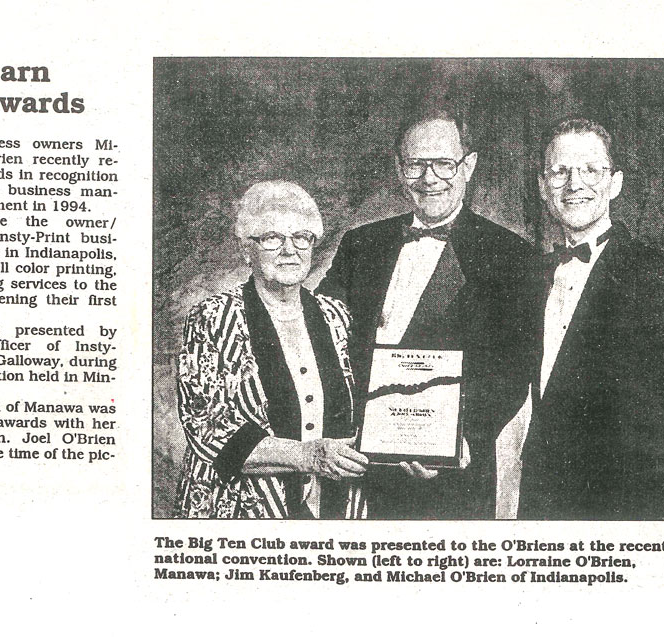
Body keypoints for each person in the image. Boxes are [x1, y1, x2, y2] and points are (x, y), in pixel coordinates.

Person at [317, 109, 535, 519]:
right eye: (416, 164)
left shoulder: (510, 254)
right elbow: (321, 334)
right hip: (354, 468)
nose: (429, 178)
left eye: (443, 164)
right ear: (400, 170)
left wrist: (461, 439)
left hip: (449, 476)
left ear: (468, 166)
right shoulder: (361, 243)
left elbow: (512, 369)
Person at [505, 117, 664, 520]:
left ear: (615, 183)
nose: (574, 184)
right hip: (540, 504)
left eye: (591, 170)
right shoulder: (529, 276)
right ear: (543, 186)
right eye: (560, 171)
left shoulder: (655, 276)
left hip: (616, 511)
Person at [174, 180, 368, 519]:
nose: (289, 250)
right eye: (272, 238)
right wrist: (306, 456)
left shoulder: (336, 316)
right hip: (242, 510)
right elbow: (207, 427)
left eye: (301, 237)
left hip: (333, 507)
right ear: (247, 250)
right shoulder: (214, 317)